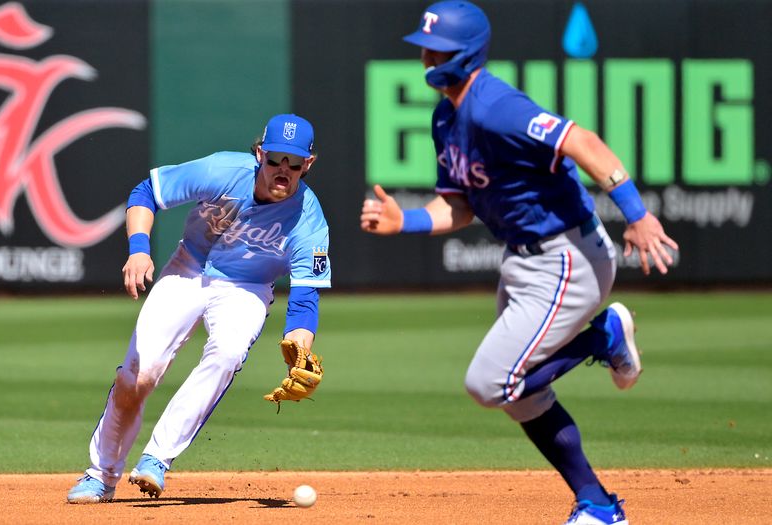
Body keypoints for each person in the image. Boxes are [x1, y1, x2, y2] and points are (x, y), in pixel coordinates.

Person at [359, 3, 678, 524]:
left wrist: (637, 215)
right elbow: (459, 206)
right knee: (520, 396)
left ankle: (603, 336)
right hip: (523, 264)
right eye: (424, 45)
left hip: (567, 257)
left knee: (489, 384)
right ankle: (597, 504)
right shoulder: (446, 116)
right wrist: (406, 222)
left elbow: (583, 142)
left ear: (465, 54)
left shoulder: (496, 107)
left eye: (436, 48)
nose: (425, 55)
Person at [67, 113, 331, 503]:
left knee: (227, 353)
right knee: (138, 377)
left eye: (294, 162)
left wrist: (300, 348)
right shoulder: (222, 170)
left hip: (247, 288)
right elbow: (147, 192)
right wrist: (139, 250)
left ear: (308, 165)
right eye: (275, 158)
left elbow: (306, 297)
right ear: (260, 153)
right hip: (187, 268)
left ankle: (157, 458)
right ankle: (101, 475)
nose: (283, 170)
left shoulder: (309, 221)